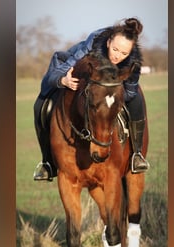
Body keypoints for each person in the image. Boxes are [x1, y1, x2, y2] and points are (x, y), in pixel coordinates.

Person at [33, 17, 150, 181]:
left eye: (124, 53)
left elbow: (129, 93)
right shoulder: (92, 44)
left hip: (110, 86)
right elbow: (54, 75)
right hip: (74, 72)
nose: (117, 56)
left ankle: (137, 155)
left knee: (137, 100)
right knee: (40, 105)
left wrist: (112, 92)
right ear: (109, 42)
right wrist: (62, 80)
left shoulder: (133, 63)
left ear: (130, 53)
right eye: (115, 49)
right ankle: (47, 162)